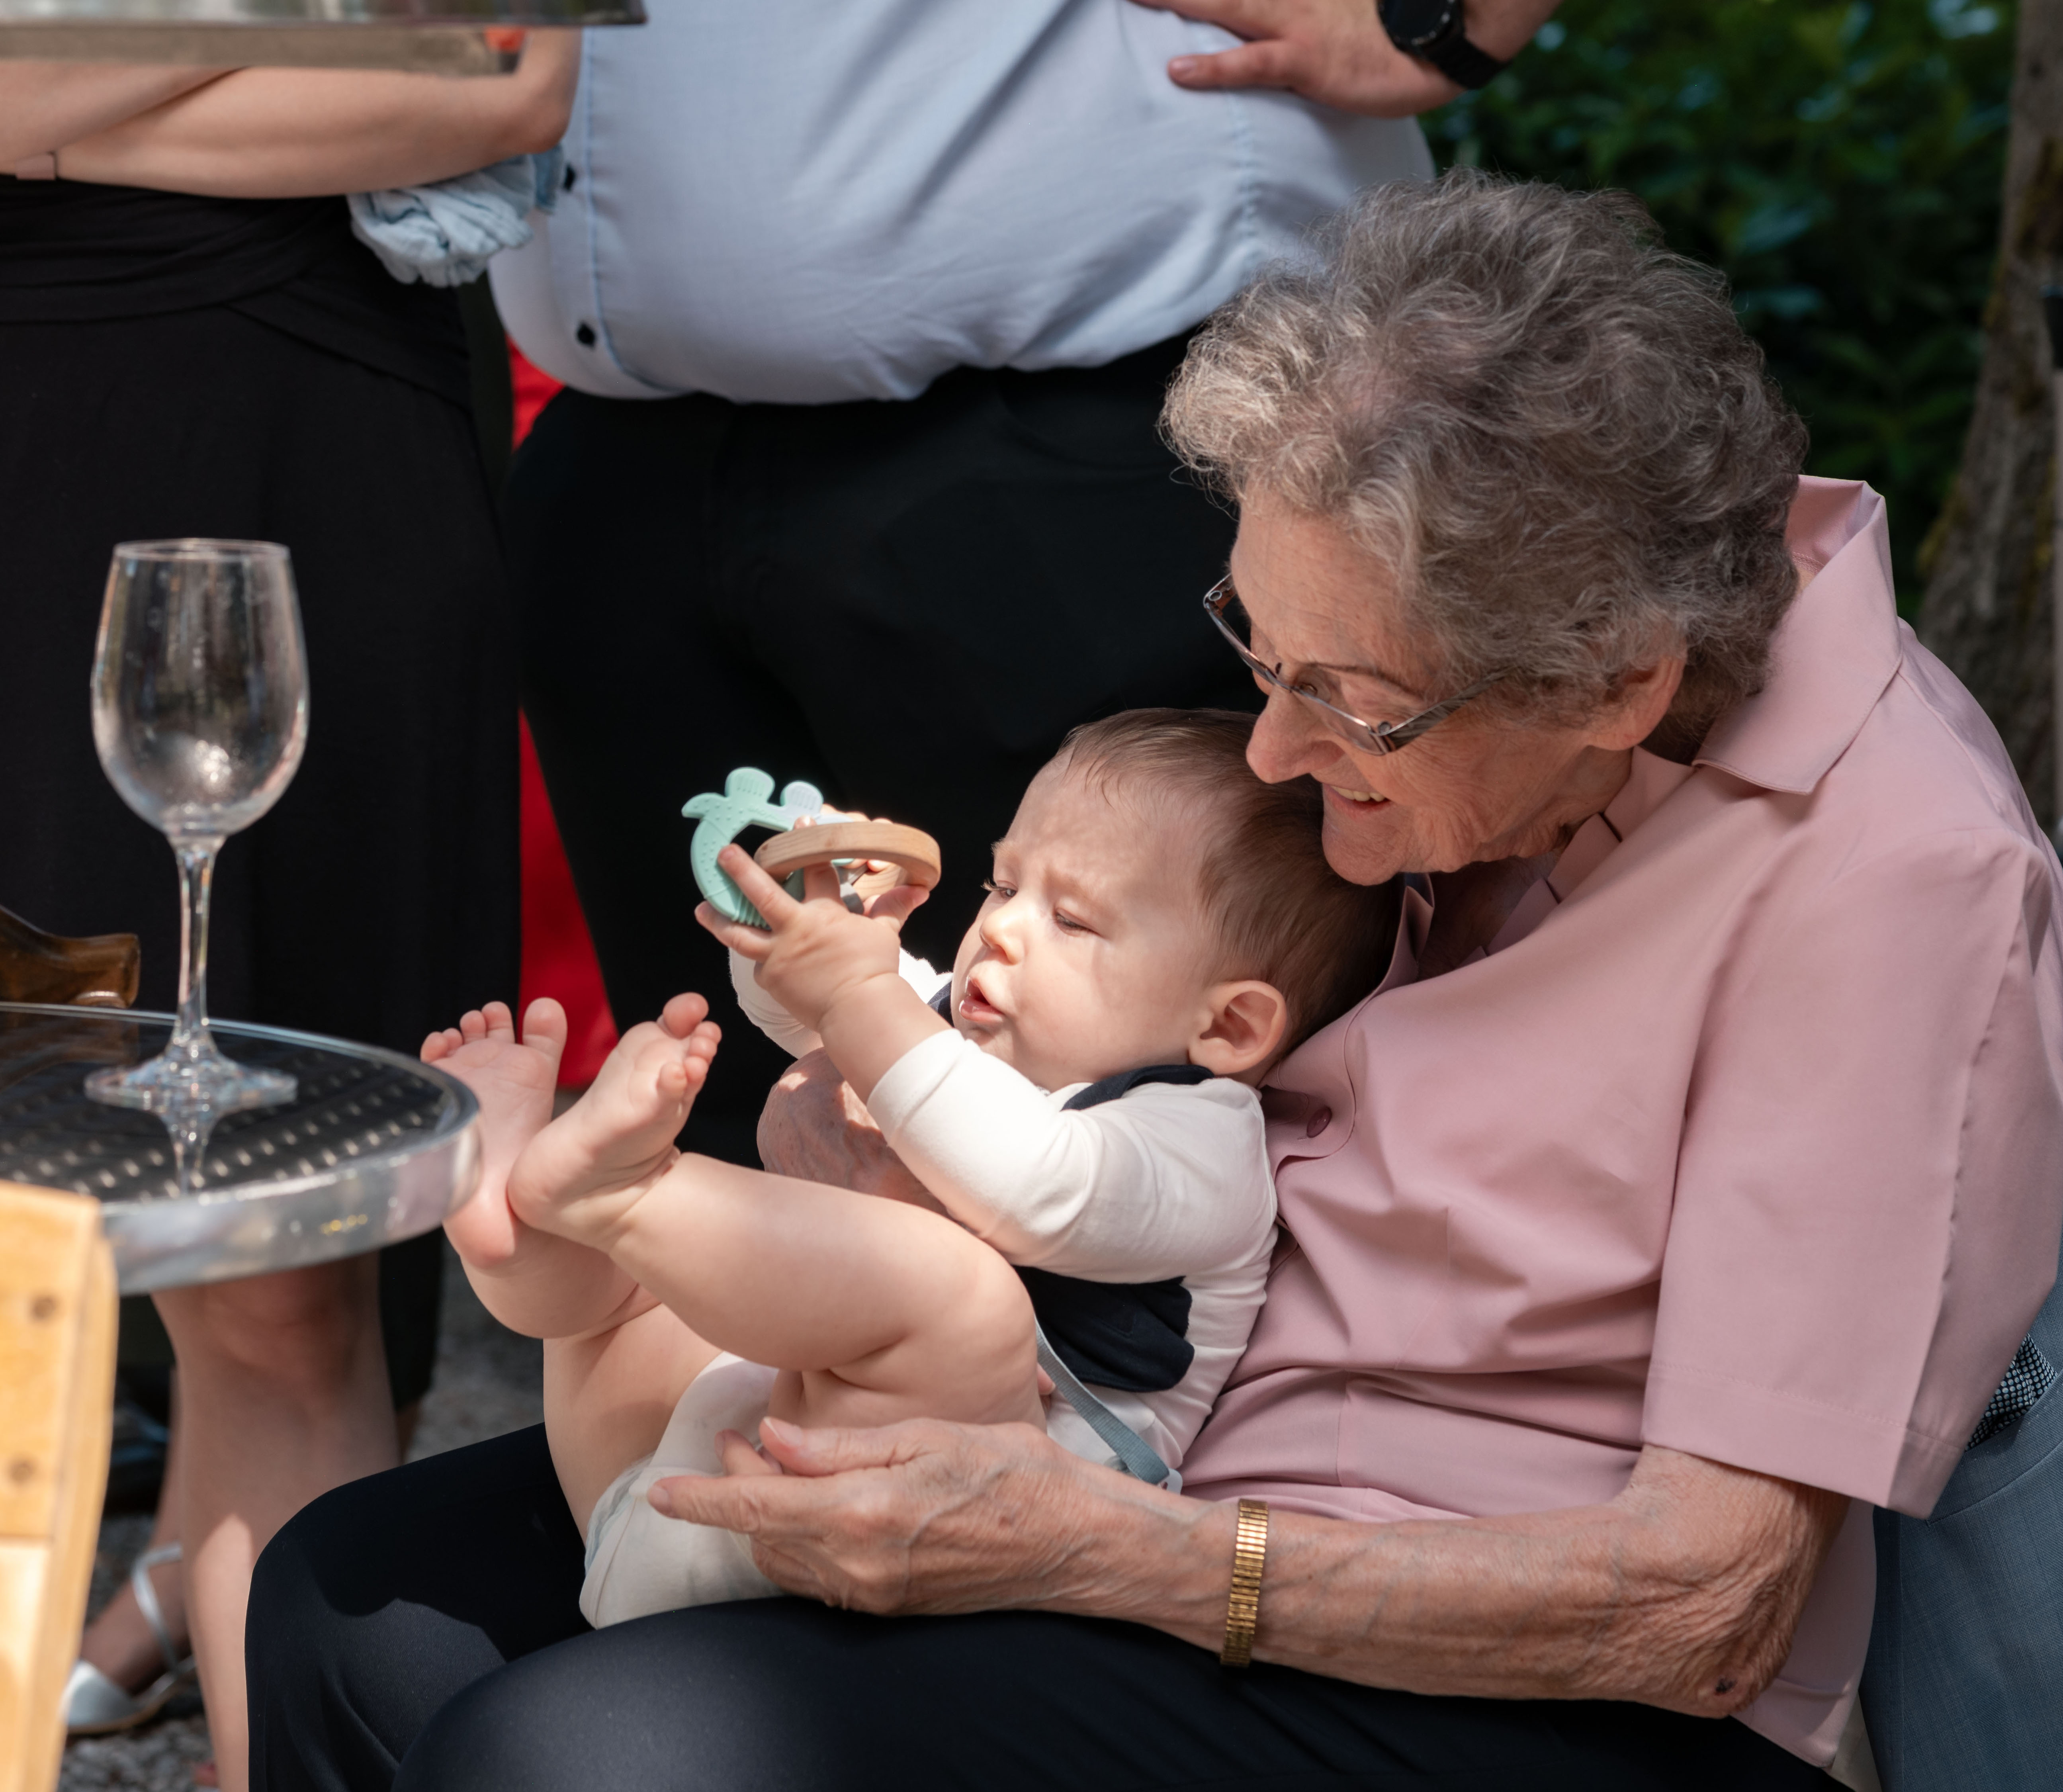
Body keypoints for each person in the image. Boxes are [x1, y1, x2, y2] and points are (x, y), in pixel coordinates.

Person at [249, 172, 2063, 1791]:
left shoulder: (1881, 879)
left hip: (1502, 1672)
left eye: (1344, 705)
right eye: (1255, 652)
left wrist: (1104, 1554)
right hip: (1138, 1460)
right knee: (354, 1606)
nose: (1270, 752)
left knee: (589, 1751)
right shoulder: (1474, 664)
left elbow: (1704, 1605)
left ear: (1613, 685)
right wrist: (883, 1078)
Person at [487, 0, 1563, 1167]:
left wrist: (1441, 21)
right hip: (629, 446)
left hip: (1086, 418)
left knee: (1150, 1136)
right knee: (723, 1118)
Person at [0, 40, 576, 1790]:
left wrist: (56, 105)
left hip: (287, 444)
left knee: (270, 1262)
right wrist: (277, 33)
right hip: (46, 429)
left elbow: (508, 89)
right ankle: (170, 1603)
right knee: (81, 1202)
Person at [421, 710, 1395, 1629]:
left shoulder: (1200, 1142)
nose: (1002, 929)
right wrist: (812, 926)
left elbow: (1034, 1185)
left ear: (1229, 1026)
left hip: (944, 1521)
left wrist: (856, 990)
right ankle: (521, 1228)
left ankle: (620, 1195)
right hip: (682, 1464)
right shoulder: (958, 1029)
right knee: (635, 1291)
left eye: (1073, 920)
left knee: (962, 1295)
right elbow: (809, 1014)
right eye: (1003, 887)